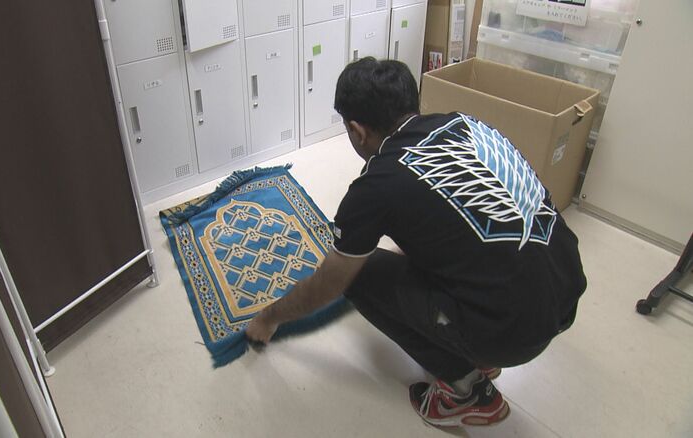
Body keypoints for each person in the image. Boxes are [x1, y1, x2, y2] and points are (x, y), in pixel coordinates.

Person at [246, 57, 586, 427]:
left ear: (357, 131)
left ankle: (466, 390)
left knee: (361, 276)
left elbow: (330, 283)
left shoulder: (377, 186)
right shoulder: (463, 122)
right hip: (565, 289)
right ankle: (480, 345)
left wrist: (269, 317)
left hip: (512, 333)